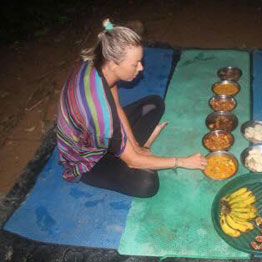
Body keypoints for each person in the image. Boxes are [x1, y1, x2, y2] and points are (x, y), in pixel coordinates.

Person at [56, 19, 207, 197]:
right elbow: (132, 160)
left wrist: (136, 146)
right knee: (146, 183)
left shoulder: (98, 64)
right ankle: (132, 151)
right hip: (86, 160)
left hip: (99, 133)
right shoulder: (100, 114)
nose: (141, 68)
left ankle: (134, 148)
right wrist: (182, 162)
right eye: (135, 64)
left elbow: (116, 107)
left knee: (154, 104)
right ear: (113, 63)